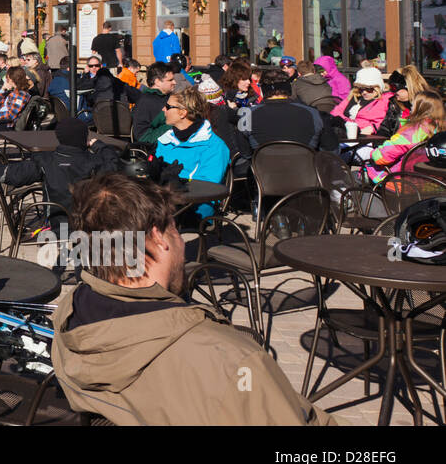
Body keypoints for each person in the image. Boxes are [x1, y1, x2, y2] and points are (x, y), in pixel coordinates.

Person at [51, 173, 330, 425]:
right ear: (159, 237)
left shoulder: (70, 310)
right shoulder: (231, 361)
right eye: (176, 229)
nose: (183, 243)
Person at [0, 116, 120, 218]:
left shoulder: (45, 160)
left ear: (59, 138)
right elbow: (114, 165)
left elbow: (12, 175)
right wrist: (99, 146)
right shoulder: (93, 161)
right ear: (84, 139)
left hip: (55, 223)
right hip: (87, 223)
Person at [153, 86, 232, 196]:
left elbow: (207, 187)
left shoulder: (214, 146)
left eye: (168, 106)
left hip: (194, 205)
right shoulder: (165, 140)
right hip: (161, 200)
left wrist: (173, 182)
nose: (163, 109)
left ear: (182, 113)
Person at [361, 92, 446, 182]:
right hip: (436, 181)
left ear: (419, 108)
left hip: (403, 182)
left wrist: (373, 153)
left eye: (413, 104)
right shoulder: (441, 130)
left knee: (358, 175)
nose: (411, 107)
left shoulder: (412, 132)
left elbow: (382, 158)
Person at [239, 69, 329, 152]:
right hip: (304, 167)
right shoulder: (313, 113)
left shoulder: (247, 115)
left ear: (262, 89)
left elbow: (244, 153)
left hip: (264, 167)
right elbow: (331, 149)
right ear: (288, 88)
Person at [336, 66, 392, 136]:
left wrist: (372, 128)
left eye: (369, 89)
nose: (364, 92)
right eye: (361, 88)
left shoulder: (385, 100)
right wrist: (347, 123)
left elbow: (387, 122)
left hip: (368, 138)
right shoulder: (355, 95)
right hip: (347, 132)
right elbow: (336, 112)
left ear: (378, 88)